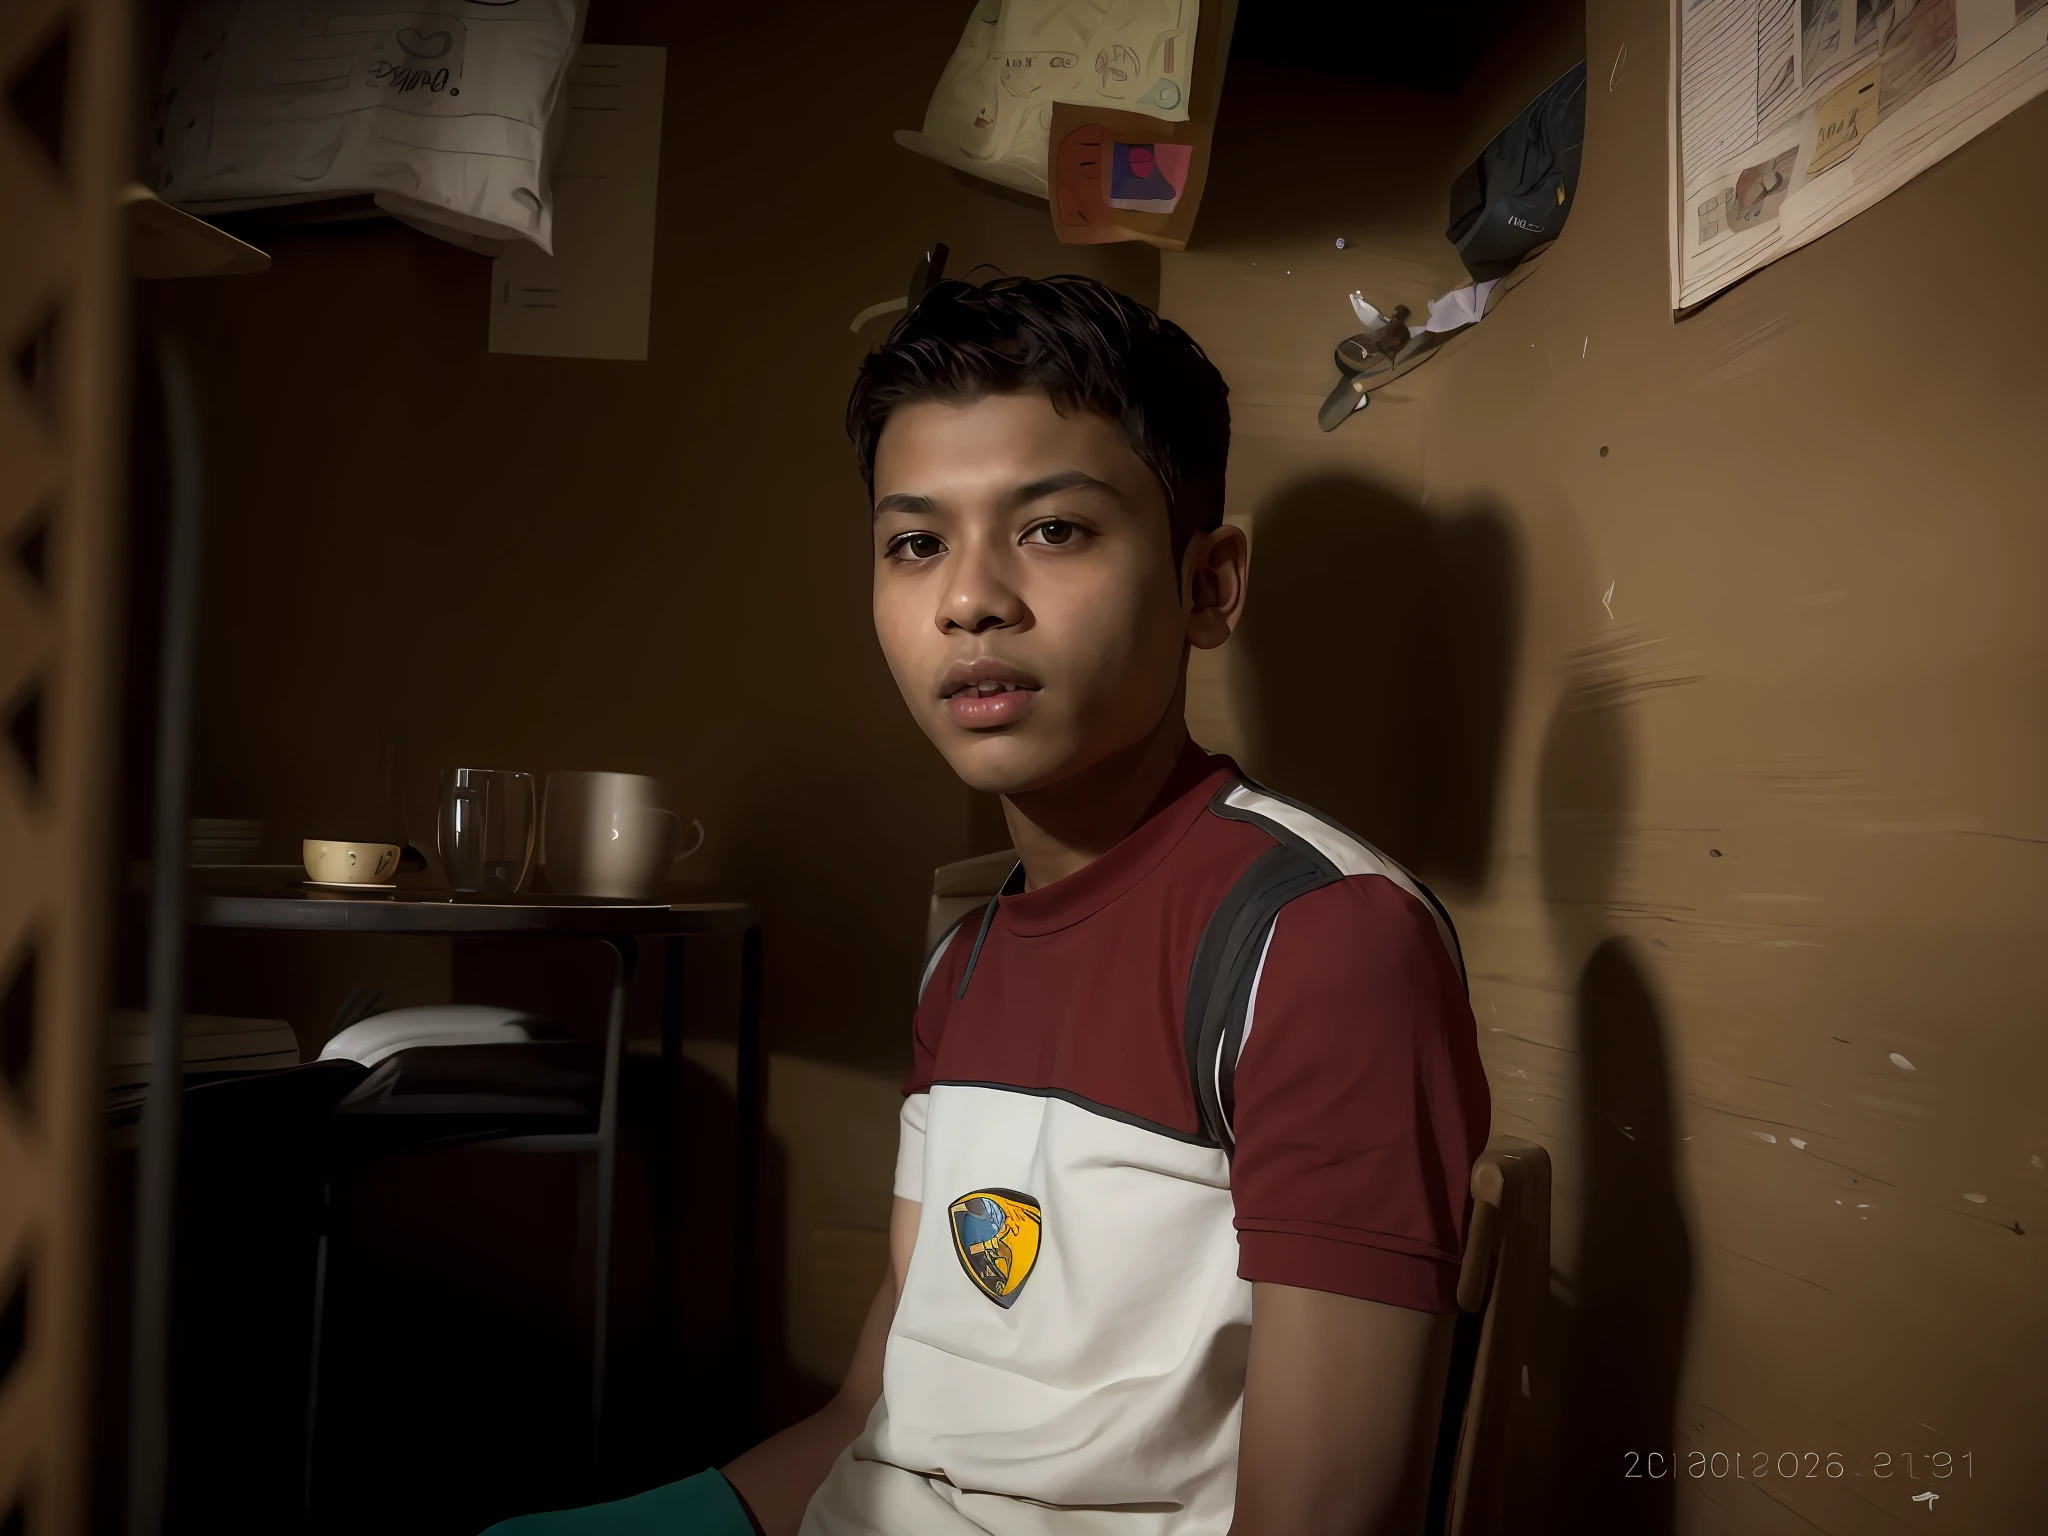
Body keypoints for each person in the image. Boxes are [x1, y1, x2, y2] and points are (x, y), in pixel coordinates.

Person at [485, 276, 1491, 1536]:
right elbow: (876, 1420)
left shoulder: (1321, 942)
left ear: (1206, 585)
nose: (967, 599)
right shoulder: (960, 963)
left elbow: (1320, 1521)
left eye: (1053, 530)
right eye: (915, 543)